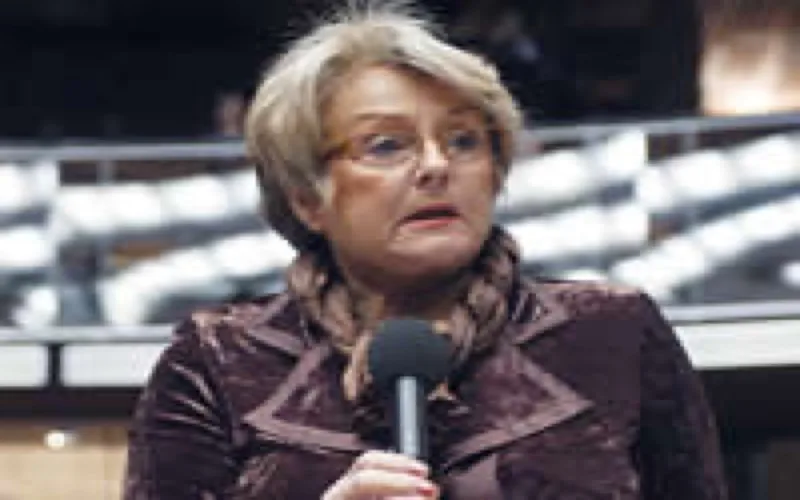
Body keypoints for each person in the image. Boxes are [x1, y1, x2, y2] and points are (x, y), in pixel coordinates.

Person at [123, 3, 728, 499]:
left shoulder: (614, 331)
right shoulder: (218, 358)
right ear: (307, 198)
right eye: (387, 145)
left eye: (464, 140)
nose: (438, 166)